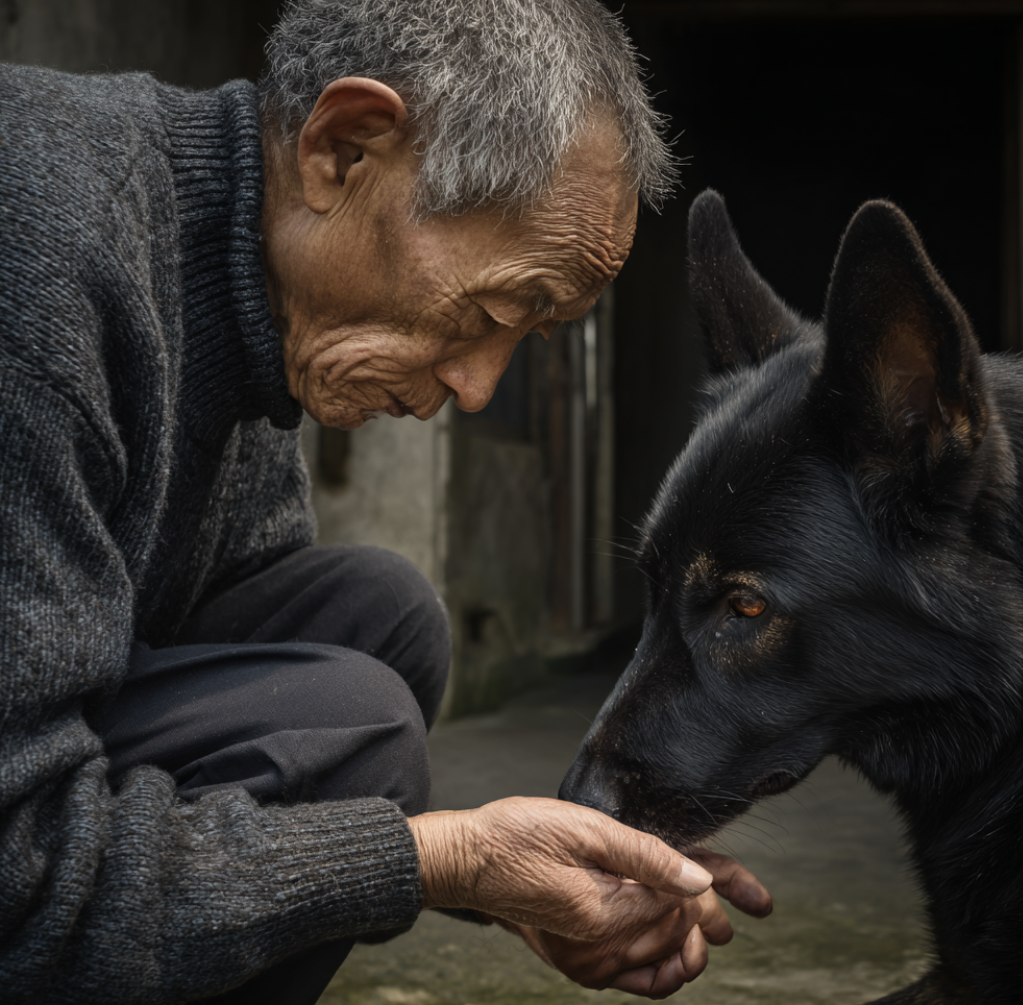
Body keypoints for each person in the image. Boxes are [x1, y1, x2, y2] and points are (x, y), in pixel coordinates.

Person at [0, 1, 772, 1002]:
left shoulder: (246, 283)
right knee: (355, 722)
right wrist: (436, 860)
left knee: (380, 623)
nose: (478, 388)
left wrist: (509, 885)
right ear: (344, 146)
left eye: (528, 338)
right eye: (490, 312)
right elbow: (20, 867)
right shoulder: (46, 263)